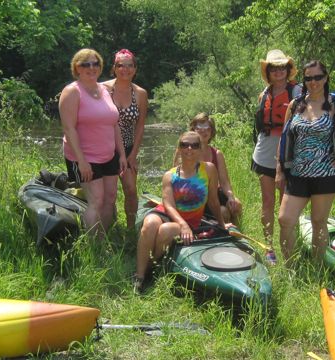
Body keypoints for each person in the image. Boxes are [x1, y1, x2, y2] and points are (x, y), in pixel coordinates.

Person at [276, 60, 335, 264]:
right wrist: (279, 170)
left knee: (319, 222)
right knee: (285, 220)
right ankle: (289, 267)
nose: (313, 82)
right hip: (297, 173)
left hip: (326, 174)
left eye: (318, 77)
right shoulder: (295, 105)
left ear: (325, 78)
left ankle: (319, 266)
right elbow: (284, 138)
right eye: (308, 78)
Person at [134, 131, 226, 293]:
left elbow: (213, 200)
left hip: (191, 220)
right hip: (168, 213)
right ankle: (139, 276)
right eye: (184, 144)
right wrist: (182, 224)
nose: (189, 148)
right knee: (150, 225)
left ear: (200, 149)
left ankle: (151, 267)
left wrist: (222, 224)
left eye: (194, 145)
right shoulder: (170, 175)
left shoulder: (209, 170)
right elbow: (168, 205)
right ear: (179, 148)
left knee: (166, 230)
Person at [59, 48, 128, 240]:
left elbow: (113, 124)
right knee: (96, 201)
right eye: (85, 64)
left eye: (95, 63)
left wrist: (121, 154)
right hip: (85, 157)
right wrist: (81, 161)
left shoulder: (104, 90)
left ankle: (102, 240)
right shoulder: (72, 91)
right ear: (77, 68)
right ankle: (93, 248)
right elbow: (69, 128)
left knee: (110, 198)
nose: (91, 68)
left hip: (109, 155)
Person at [252, 49, 301, 264]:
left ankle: (291, 247)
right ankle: (269, 247)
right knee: (268, 200)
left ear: (288, 70)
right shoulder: (265, 93)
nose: (279, 71)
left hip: (289, 150)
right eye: (274, 68)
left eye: (282, 67)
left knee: (287, 202)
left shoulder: (297, 91)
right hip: (265, 150)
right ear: (269, 72)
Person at [101, 49, 148, 229]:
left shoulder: (140, 94)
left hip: (128, 147)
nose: (125, 69)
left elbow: (141, 125)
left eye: (129, 66)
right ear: (114, 68)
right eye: (120, 65)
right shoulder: (103, 89)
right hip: (105, 147)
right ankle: (110, 229)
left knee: (130, 189)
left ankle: (130, 229)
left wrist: (133, 154)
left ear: (135, 69)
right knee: (108, 193)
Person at [173, 113, 243, 224]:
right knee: (223, 212)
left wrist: (230, 196)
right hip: (195, 194)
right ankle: (214, 227)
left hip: (214, 192)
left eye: (207, 128)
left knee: (236, 205)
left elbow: (225, 183)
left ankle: (234, 231)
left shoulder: (217, 154)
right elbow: (175, 178)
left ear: (211, 132)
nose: (203, 131)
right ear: (193, 130)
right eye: (199, 128)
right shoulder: (184, 151)